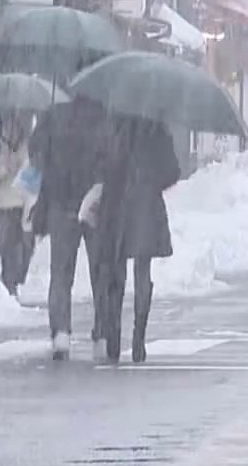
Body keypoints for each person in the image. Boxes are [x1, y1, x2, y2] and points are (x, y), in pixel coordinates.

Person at [90, 115, 182, 364]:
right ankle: (139, 337)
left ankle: (114, 336)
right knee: (143, 271)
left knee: (115, 270)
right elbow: (173, 171)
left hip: (117, 204)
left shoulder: (115, 123)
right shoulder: (157, 128)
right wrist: (151, 181)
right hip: (147, 205)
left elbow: (101, 163)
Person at [31, 97, 109, 360]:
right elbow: (113, 159)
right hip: (94, 203)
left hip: (60, 202)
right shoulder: (103, 118)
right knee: (101, 271)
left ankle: (61, 333)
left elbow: (37, 154)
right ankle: (102, 332)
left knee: (61, 272)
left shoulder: (55, 115)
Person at [0, 113, 34, 295]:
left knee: (23, 247)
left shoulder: (27, 150)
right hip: (2, 205)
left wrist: (21, 168)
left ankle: (15, 278)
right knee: (6, 246)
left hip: (22, 204)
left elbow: (33, 175)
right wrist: (2, 171)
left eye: (13, 128)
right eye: (6, 128)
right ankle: (9, 284)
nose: (10, 132)